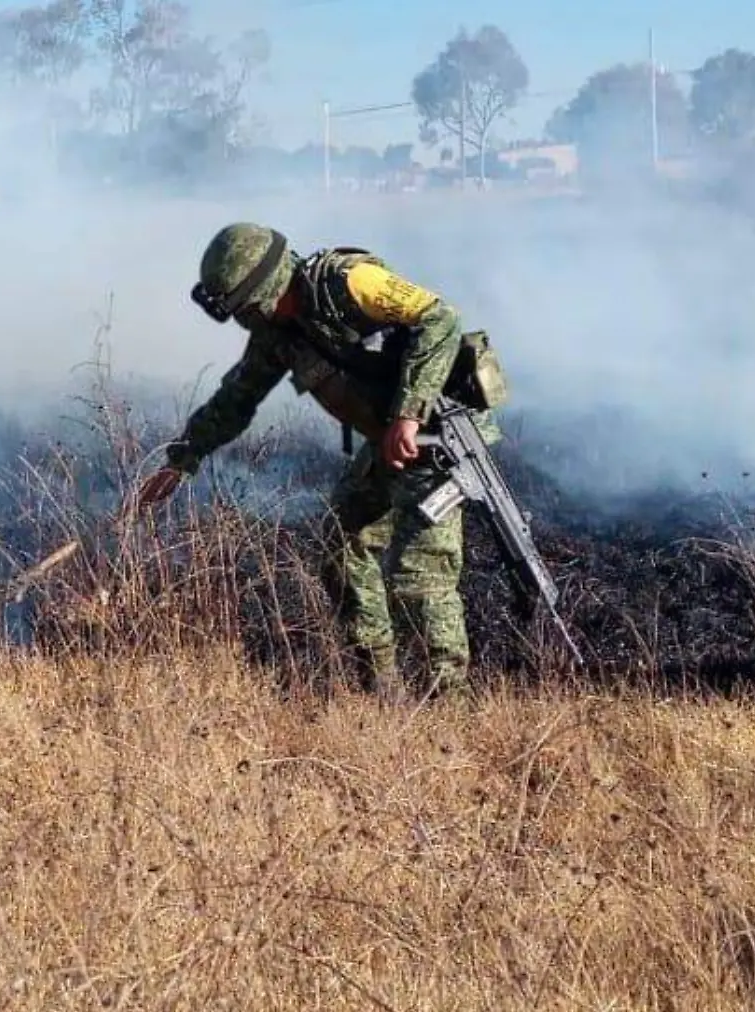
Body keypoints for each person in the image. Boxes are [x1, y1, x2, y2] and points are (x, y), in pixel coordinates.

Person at [131, 223, 510, 702]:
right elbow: (238, 396)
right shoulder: (281, 333)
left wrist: (408, 415)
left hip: (436, 443)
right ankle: (382, 689)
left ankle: (446, 707)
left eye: (244, 308)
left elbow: (439, 318)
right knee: (342, 544)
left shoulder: (347, 282)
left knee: (420, 576)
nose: (246, 320)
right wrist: (183, 460)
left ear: (263, 290)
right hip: (390, 446)